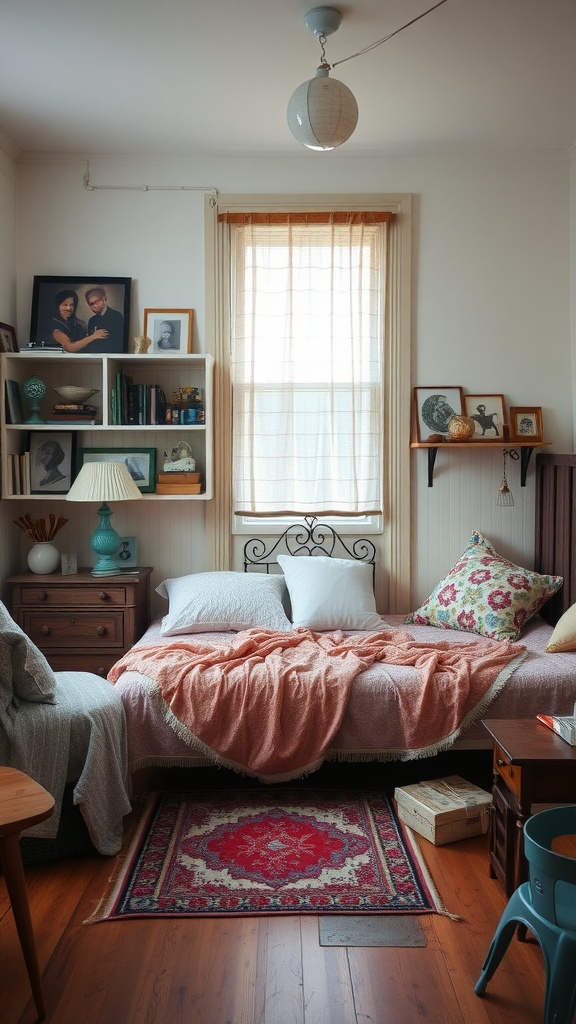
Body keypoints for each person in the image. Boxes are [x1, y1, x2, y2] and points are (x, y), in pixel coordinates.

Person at [85, 286, 125, 351]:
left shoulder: (116, 316)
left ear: (104, 299)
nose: (94, 306)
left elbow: (119, 342)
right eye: (91, 304)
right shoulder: (92, 320)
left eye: (97, 302)